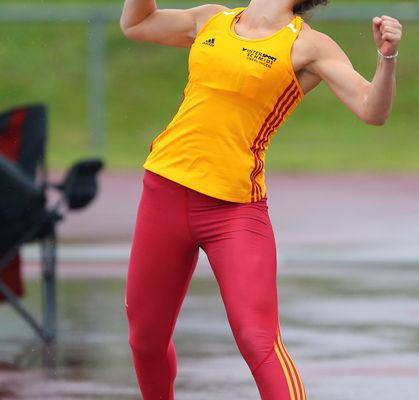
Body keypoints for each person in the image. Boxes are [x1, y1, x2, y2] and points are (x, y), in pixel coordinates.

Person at [120, 0, 402, 398]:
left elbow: (372, 109)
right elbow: (138, 23)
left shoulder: (309, 46)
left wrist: (386, 58)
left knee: (258, 340)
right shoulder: (212, 19)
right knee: (145, 341)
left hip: (233, 210)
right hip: (163, 191)